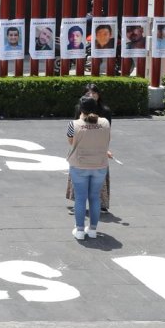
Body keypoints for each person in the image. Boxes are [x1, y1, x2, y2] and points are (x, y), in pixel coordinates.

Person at [67, 96, 111, 240]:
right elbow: (106, 140)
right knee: (95, 198)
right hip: (100, 164)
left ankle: (79, 230)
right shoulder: (105, 123)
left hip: (79, 165)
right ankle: (92, 230)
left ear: (80, 109)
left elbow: (71, 142)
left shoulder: (74, 124)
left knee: (80, 198)